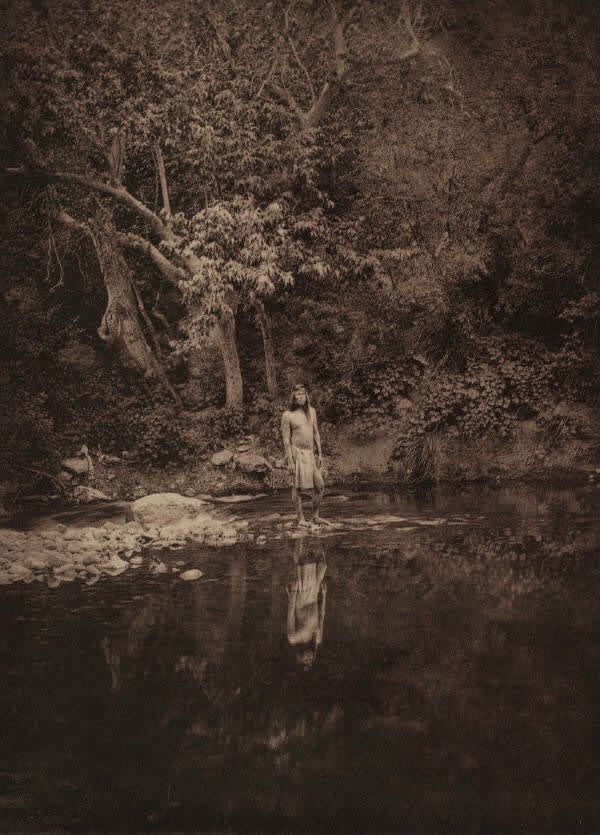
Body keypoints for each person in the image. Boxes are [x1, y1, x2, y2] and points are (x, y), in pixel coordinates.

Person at [280, 384, 326, 527]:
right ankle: (300, 519)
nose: (300, 397)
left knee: (319, 485)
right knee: (297, 488)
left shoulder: (312, 412)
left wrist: (320, 453)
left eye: (302, 394)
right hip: (296, 453)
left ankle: (315, 516)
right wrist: (290, 461)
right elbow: (286, 440)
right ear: (293, 397)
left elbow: (316, 433)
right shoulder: (288, 415)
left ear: (306, 396)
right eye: (297, 394)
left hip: (310, 454)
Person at [287, 537, 327, 670]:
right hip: (314, 597)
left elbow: (291, 614)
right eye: (311, 660)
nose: (309, 658)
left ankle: (300, 535)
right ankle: (317, 536)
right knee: (323, 565)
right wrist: (324, 595)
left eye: (306, 660)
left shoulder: (293, 638)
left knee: (302, 563)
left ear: (299, 658)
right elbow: (322, 616)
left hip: (302, 598)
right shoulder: (317, 639)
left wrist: (293, 592)